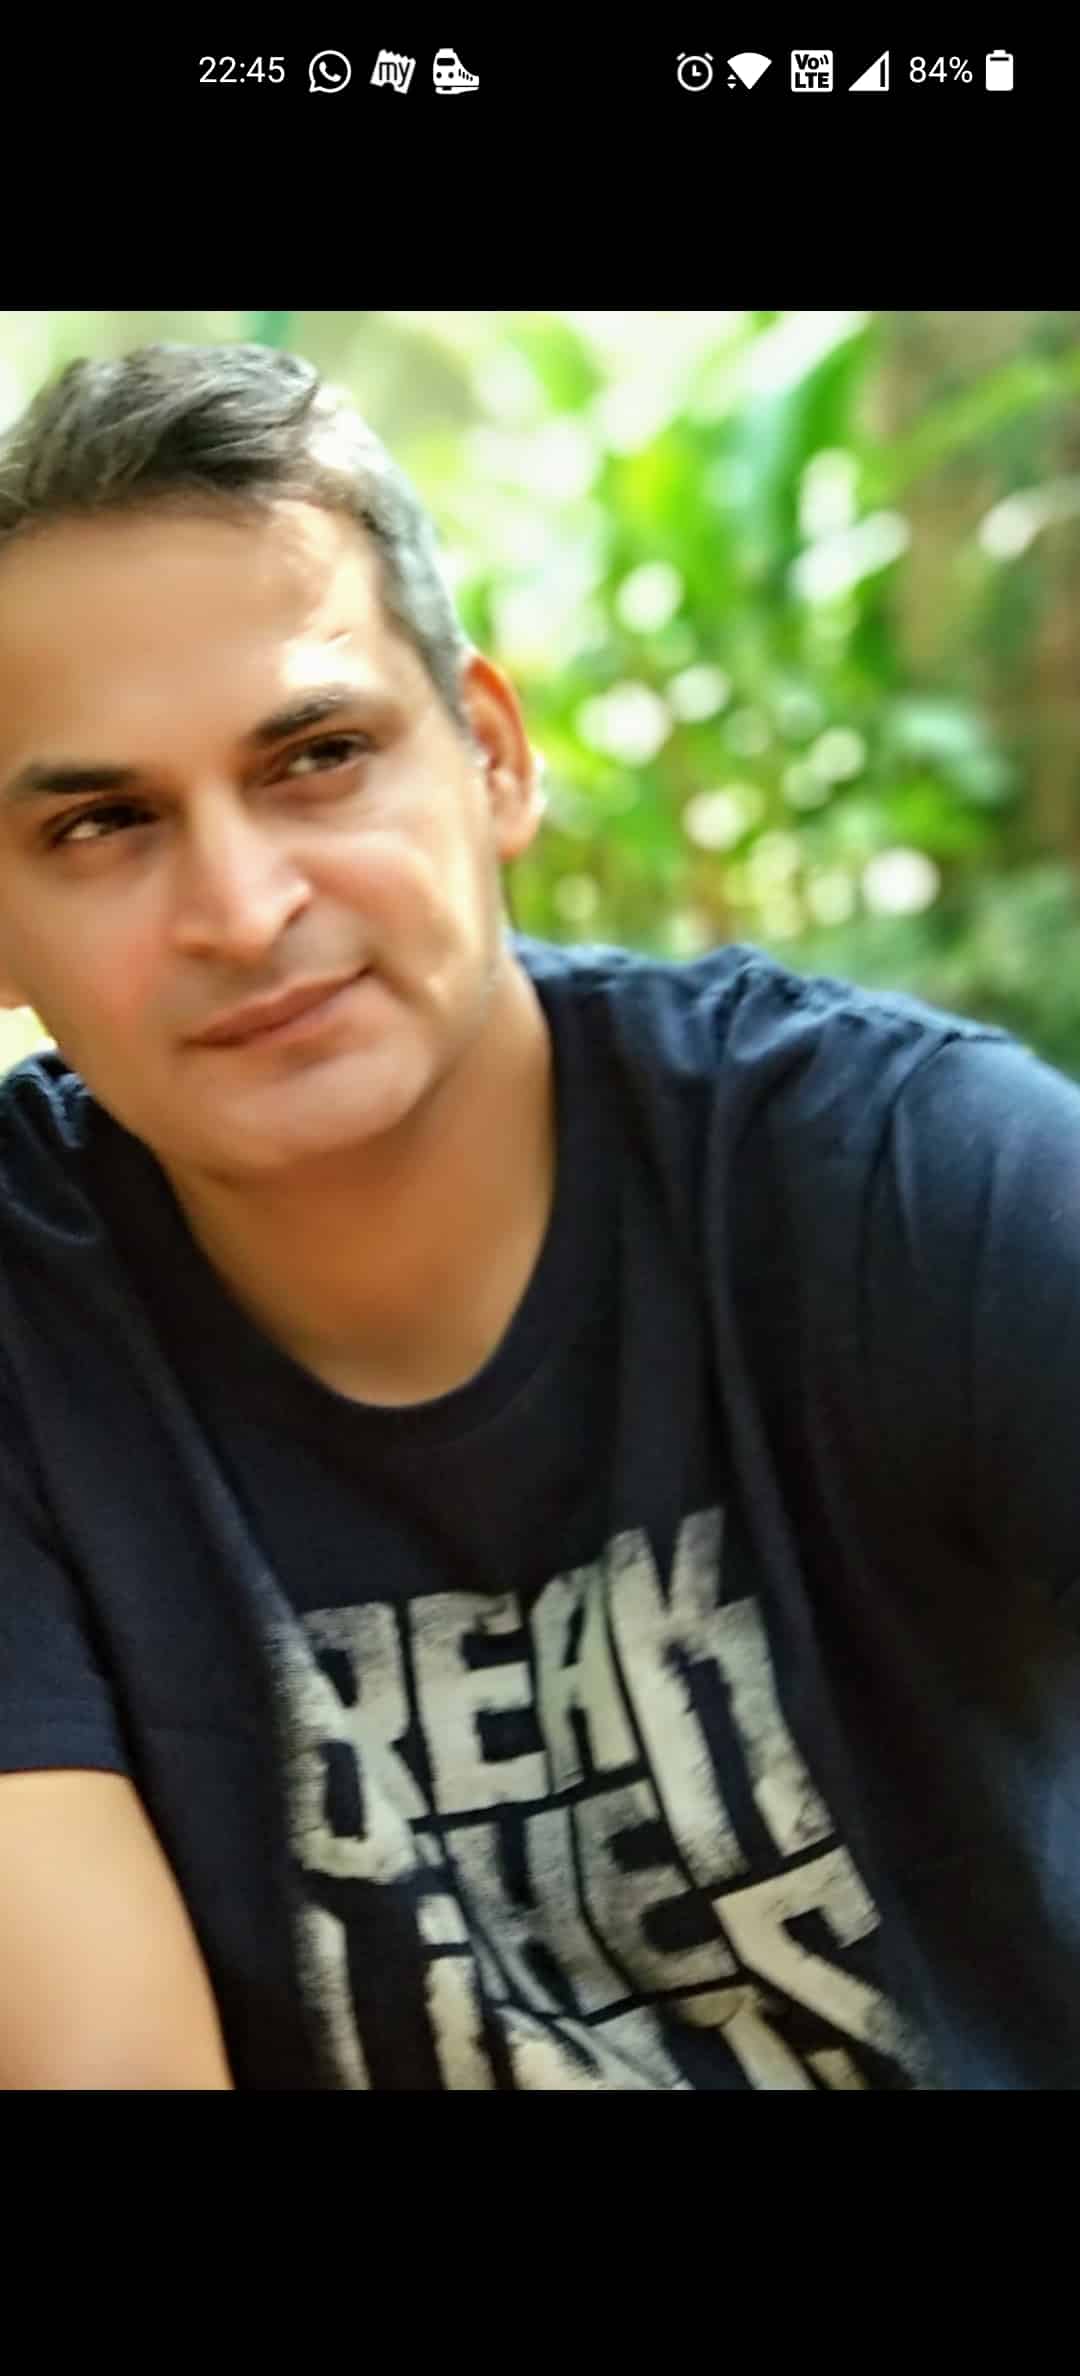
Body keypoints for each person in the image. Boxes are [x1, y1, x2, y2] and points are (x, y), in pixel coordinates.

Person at [0, 345, 1076, 2094]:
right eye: (104, 821)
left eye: (319, 756)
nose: (243, 909)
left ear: (492, 759)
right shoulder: (28, 1322)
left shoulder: (897, 1178)